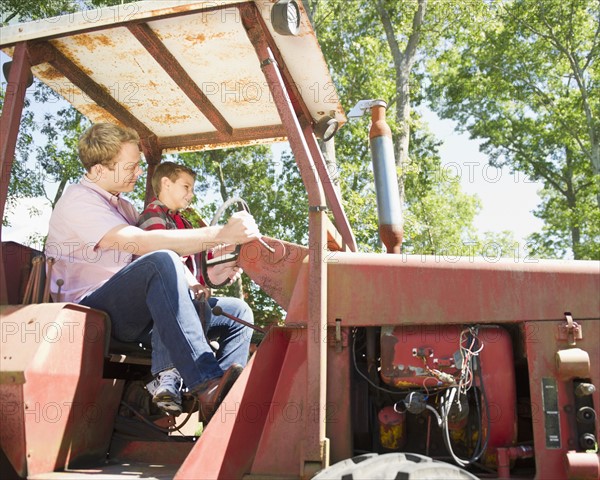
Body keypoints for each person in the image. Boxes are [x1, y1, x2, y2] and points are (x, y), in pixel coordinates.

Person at [45, 123, 259, 422]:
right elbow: (143, 243)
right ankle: (207, 383)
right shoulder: (79, 202)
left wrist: (216, 267)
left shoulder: (127, 208)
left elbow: (168, 252)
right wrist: (221, 233)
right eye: (130, 166)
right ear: (97, 171)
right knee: (161, 261)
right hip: (90, 309)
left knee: (237, 312)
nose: (137, 172)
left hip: (134, 309)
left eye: (138, 165)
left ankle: (223, 404)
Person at [137, 161, 241, 415]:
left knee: (239, 311)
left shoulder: (187, 219)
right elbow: (165, 258)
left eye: (192, 189)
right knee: (177, 294)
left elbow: (203, 267)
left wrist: (225, 268)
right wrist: (193, 283)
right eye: (186, 186)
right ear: (165, 183)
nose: (190, 194)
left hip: (189, 295)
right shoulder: (153, 215)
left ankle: (223, 386)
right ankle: (167, 376)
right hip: (155, 300)